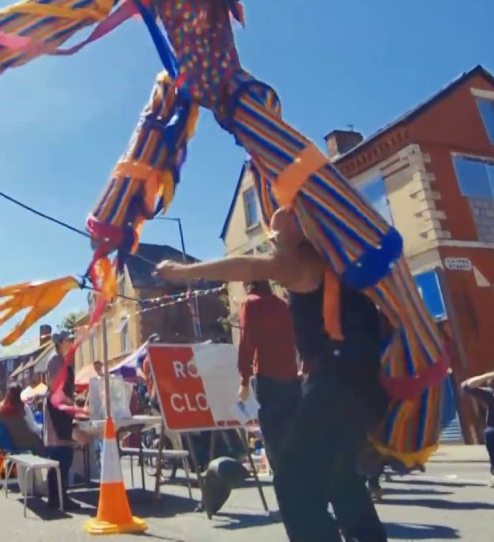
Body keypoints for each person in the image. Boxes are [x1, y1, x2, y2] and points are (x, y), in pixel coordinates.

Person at [156, 207, 390, 542]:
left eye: (277, 232)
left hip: (334, 385)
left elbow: (248, 267)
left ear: (302, 231)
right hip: (350, 383)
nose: (272, 238)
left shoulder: (301, 262)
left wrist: (183, 271)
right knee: (338, 473)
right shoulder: (336, 268)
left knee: (293, 481)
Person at [236, 279, 300, 476]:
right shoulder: (283, 305)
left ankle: (284, 483)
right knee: (292, 434)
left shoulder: (250, 304)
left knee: (273, 436)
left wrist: (244, 380)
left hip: (268, 376)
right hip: (291, 377)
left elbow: (247, 343)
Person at [42, 330, 93, 511]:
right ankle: (59, 497)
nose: (72, 343)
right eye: (69, 340)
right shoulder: (56, 360)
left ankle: (57, 497)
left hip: (59, 408)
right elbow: (56, 387)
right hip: (58, 410)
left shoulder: (59, 359)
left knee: (61, 455)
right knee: (62, 453)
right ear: (61, 342)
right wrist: (71, 404)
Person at [0, 385, 45, 454]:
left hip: (14, 444)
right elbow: (34, 428)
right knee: (49, 448)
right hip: (29, 443)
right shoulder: (23, 407)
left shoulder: (0, 410)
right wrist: (44, 427)